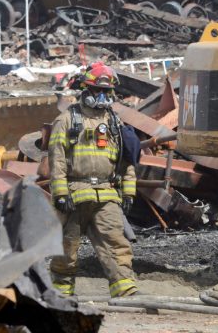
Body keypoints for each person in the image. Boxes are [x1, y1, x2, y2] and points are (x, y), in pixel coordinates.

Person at [48, 61, 138, 298]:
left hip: (107, 194)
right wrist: (60, 194)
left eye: (106, 92)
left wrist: (128, 192)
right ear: (85, 90)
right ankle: (61, 290)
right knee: (67, 246)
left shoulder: (115, 123)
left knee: (115, 241)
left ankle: (124, 287)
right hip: (75, 193)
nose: (102, 96)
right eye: (96, 90)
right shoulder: (68, 119)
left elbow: (126, 160)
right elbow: (56, 159)